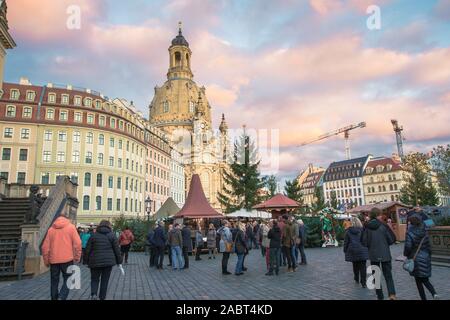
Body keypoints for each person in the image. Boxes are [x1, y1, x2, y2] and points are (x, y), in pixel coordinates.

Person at [42, 213, 82, 300]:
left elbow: (45, 247)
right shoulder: (71, 227)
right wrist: (77, 257)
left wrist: (46, 261)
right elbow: (78, 243)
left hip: (54, 260)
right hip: (67, 259)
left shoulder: (51, 230)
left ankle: (54, 298)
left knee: (54, 281)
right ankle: (62, 296)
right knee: (68, 279)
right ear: (66, 218)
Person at [362, 208, 397, 300]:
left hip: (373, 255)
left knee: (376, 276)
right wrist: (385, 243)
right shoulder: (384, 225)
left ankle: (380, 295)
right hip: (385, 253)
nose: (381, 216)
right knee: (388, 276)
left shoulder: (367, 227)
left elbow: (364, 242)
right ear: (378, 215)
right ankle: (392, 294)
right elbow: (392, 239)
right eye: (380, 214)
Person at [404, 214, 439, 300]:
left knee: (418, 280)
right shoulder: (425, 230)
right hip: (425, 256)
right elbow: (428, 244)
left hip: (415, 257)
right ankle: (434, 293)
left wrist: (406, 254)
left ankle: (424, 298)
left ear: (411, 222)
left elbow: (408, 246)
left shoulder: (410, 232)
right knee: (425, 278)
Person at [84, 220, 122, 300]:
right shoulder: (112, 236)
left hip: (94, 261)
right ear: (109, 226)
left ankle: (94, 294)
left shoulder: (93, 235)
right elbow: (117, 250)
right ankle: (102, 297)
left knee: (94, 279)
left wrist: (85, 261)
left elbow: (88, 249)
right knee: (105, 280)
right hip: (108, 262)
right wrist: (119, 262)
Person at [344, 217, 368, 288]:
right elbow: (366, 240)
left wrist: (345, 249)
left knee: (355, 265)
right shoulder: (363, 230)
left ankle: (356, 278)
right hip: (363, 249)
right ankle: (363, 282)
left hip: (353, 250)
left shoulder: (348, 231)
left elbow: (346, 242)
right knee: (363, 266)